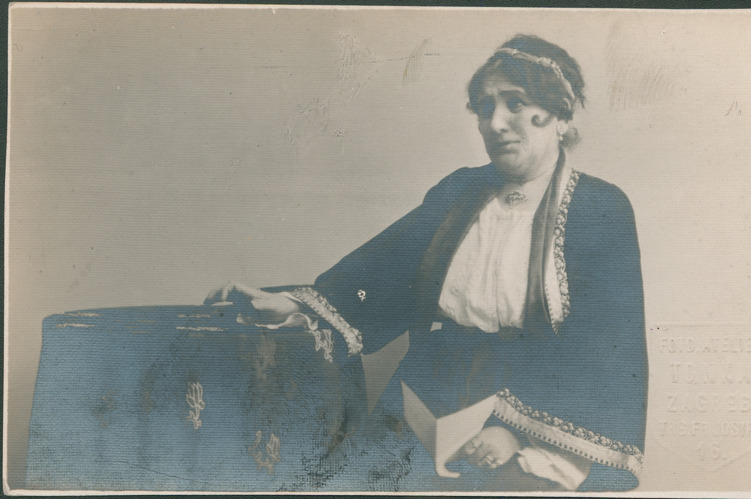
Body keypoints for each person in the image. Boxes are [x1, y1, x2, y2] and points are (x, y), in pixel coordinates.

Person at [207, 34, 647, 492]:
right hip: (427, 393)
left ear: (561, 115)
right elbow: (381, 275)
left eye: (515, 103)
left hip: (530, 410)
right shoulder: (458, 192)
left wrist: (513, 431)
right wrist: (297, 305)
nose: (495, 123)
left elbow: (606, 347)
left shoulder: (600, 209)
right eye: (484, 108)